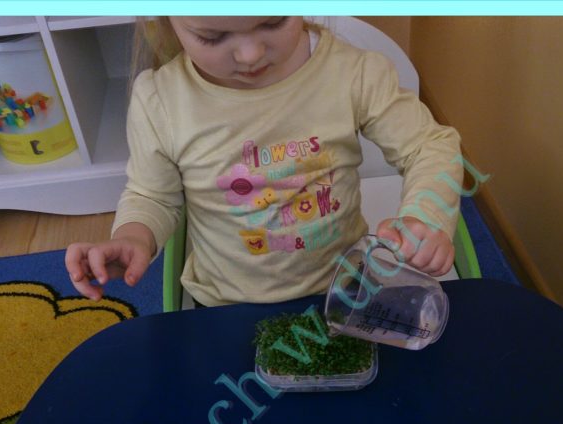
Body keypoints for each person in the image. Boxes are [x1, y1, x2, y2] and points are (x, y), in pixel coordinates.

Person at [65, 16, 463, 306]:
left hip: (344, 288)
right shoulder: (159, 101)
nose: (250, 54)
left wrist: (425, 217)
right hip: (225, 303)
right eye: (213, 36)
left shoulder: (354, 73)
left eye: (273, 21)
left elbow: (429, 146)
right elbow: (153, 196)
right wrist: (132, 238)